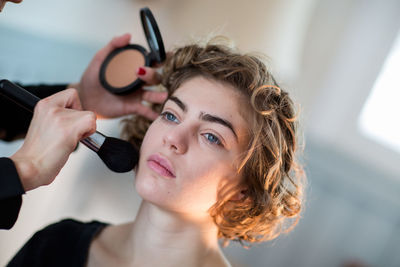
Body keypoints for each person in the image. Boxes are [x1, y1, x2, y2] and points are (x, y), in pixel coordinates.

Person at [7, 37, 305, 267]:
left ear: (244, 192)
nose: (173, 138)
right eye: (171, 115)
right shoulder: (56, 245)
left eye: (212, 137)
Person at [0, 29, 167, 229]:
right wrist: (25, 169)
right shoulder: (55, 239)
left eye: (210, 136)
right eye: (172, 116)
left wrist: (84, 97)